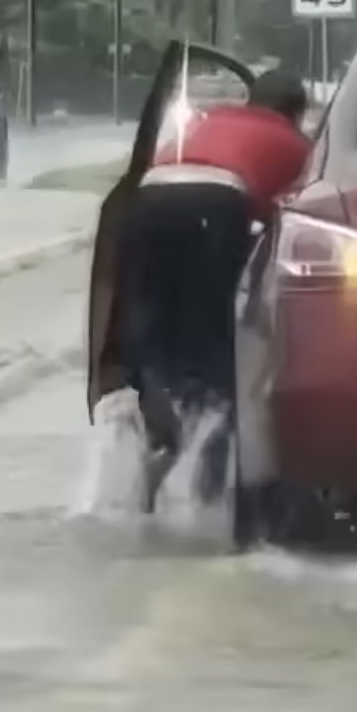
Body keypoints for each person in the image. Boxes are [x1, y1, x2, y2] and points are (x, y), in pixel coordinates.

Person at [117, 68, 312, 503]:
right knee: (218, 334)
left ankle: (155, 411)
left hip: (147, 198)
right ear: (294, 113)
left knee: (154, 322)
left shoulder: (209, 120)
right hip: (215, 202)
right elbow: (295, 218)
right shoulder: (293, 142)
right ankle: (215, 469)